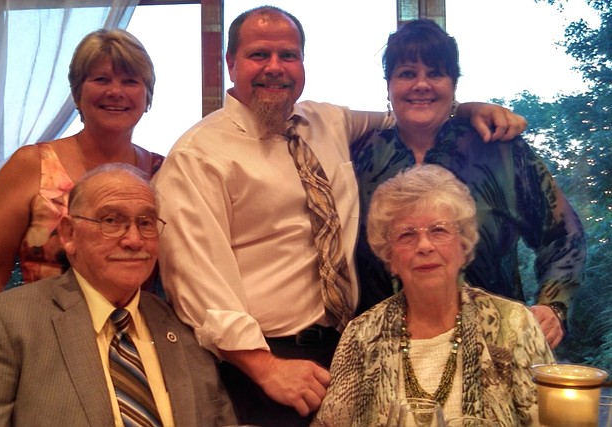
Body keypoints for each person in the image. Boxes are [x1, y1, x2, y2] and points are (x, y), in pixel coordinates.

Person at [153, 6, 527, 426]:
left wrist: (468, 107)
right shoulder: (197, 156)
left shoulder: (325, 120)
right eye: (260, 55)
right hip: (259, 368)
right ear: (230, 63)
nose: (275, 67)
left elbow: (407, 114)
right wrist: (265, 367)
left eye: (288, 55)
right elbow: (196, 283)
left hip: (347, 350)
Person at [0, 28, 164, 387]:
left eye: (131, 81)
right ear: (77, 93)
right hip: (34, 342)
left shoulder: (162, 173)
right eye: (101, 79)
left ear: (147, 96)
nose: (116, 92)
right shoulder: (32, 164)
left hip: (132, 347)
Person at [0, 164, 237, 426]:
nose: (134, 239)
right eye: (110, 221)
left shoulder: (181, 324)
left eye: (146, 223)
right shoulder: (5, 323)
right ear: (69, 234)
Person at [352, 19, 586, 348]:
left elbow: (564, 236)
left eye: (435, 73)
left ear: (454, 84)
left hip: (496, 351)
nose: (422, 84)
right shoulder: (358, 156)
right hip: (382, 352)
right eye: (407, 73)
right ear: (389, 84)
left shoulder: (500, 150)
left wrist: (552, 304)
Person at [312, 164, 554, 427]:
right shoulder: (361, 335)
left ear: (463, 247)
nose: (424, 245)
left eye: (439, 230)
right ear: (390, 258)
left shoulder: (514, 325)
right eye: (406, 234)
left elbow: (551, 422)